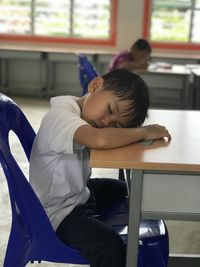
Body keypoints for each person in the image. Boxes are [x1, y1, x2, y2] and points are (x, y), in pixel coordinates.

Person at [29, 69, 170, 267]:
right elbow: (100, 139)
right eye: (110, 110)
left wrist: (128, 130)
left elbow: (105, 135)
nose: (105, 123)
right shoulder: (60, 117)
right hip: (55, 212)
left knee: (123, 189)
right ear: (95, 86)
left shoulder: (75, 107)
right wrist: (144, 132)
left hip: (75, 194)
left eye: (116, 125)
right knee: (110, 246)